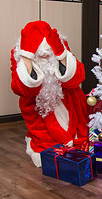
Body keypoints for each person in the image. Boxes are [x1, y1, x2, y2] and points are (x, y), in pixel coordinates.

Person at [11, 20, 89, 167]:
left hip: (70, 104)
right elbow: (20, 89)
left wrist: (60, 54)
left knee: (81, 137)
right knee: (50, 145)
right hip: (39, 109)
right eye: (41, 55)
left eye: (49, 53)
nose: (46, 57)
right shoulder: (19, 54)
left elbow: (76, 78)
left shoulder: (61, 49)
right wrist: (27, 57)